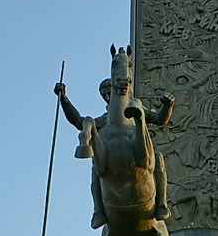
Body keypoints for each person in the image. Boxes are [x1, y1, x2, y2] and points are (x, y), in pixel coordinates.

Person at [55, 79, 174, 228]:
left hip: (137, 153)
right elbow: (79, 121)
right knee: (95, 168)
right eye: (104, 95)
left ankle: (161, 205)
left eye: (109, 92)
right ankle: (98, 211)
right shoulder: (105, 120)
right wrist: (64, 99)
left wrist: (167, 105)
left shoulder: (137, 108)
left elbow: (159, 119)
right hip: (112, 158)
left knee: (157, 159)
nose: (107, 97)